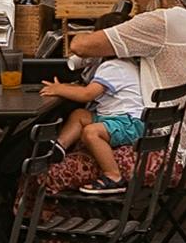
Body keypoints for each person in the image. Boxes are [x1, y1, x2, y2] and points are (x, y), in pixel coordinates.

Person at [51, 0, 186, 197]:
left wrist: (115, 29)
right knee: (88, 146)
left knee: (49, 172)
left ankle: (51, 237)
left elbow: (81, 45)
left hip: (171, 155)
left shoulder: (156, 22)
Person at [43, 48, 146, 189]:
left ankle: (114, 176)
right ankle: (59, 146)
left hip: (129, 124)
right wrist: (63, 87)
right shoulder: (125, 64)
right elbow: (88, 88)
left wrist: (59, 90)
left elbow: (87, 94)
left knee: (91, 132)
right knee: (79, 115)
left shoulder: (113, 67)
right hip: (115, 118)